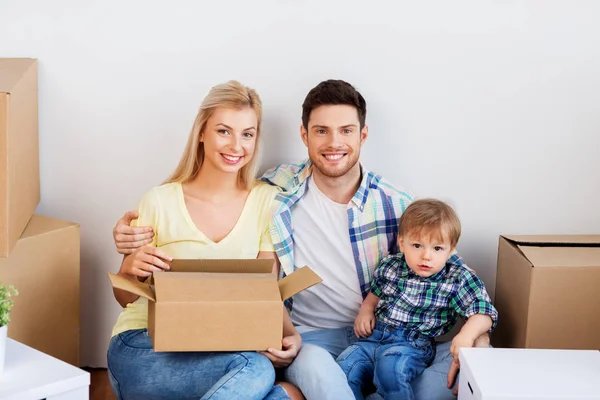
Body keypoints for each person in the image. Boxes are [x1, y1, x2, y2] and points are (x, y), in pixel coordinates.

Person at [113, 79, 491, 400]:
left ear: (363, 135)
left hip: (383, 335)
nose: (334, 143)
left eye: (346, 131)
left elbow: (451, 269)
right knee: (270, 370)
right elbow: (131, 290)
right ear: (304, 135)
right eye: (321, 131)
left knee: (436, 383)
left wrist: (478, 331)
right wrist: (129, 259)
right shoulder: (279, 191)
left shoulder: (392, 205)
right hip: (285, 340)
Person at [107, 80, 301, 400]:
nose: (236, 146)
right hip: (143, 346)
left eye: (247, 134)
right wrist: (129, 271)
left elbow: (264, 292)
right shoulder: (159, 200)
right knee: (256, 371)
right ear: (201, 132)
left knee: (287, 395)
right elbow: (126, 299)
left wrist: (289, 336)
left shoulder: (267, 202)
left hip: (218, 351)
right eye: (224, 131)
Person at [337, 199, 498, 400]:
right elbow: (375, 292)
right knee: (345, 367)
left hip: (412, 344)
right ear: (402, 243)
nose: (426, 256)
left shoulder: (457, 278)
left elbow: (484, 313)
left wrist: (466, 335)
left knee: (390, 368)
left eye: (437, 248)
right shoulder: (391, 265)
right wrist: (366, 310)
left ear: (451, 249)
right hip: (373, 339)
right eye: (417, 245)